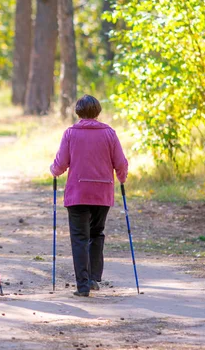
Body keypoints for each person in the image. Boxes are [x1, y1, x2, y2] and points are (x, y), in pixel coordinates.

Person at [50, 95, 128, 297]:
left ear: (78, 112)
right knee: (96, 234)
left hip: (77, 193)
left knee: (79, 238)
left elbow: (61, 163)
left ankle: (83, 285)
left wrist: (54, 171)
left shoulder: (70, 133)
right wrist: (122, 178)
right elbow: (120, 162)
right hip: (102, 193)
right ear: (98, 112)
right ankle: (93, 278)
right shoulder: (109, 133)